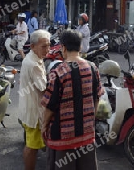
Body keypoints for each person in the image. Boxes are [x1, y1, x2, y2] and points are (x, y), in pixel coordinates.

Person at [41, 30, 103, 170]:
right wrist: (90, 121)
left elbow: (50, 105)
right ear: (80, 47)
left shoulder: (58, 72)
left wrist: (44, 126)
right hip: (86, 134)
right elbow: (97, 98)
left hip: (63, 137)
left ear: (63, 47)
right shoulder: (93, 68)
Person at [18, 29, 51, 170]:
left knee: (33, 145)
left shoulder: (33, 58)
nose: (47, 49)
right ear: (32, 46)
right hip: (34, 112)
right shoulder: (34, 64)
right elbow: (44, 88)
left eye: (49, 45)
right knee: (32, 147)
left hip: (29, 108)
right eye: (43, 46)